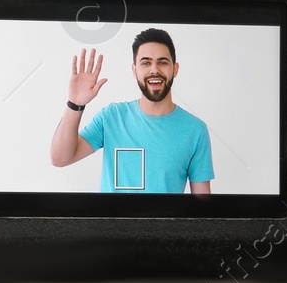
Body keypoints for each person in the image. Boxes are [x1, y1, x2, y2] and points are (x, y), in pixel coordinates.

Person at [49, 28, 214, 194]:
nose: (154, 70)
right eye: (146, 63)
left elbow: (201, 207)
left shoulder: (195, 130)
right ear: (134, 70)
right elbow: (59, 158)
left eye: (163, 62)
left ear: (175, 69)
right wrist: (75, 103)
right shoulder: (111, 117)